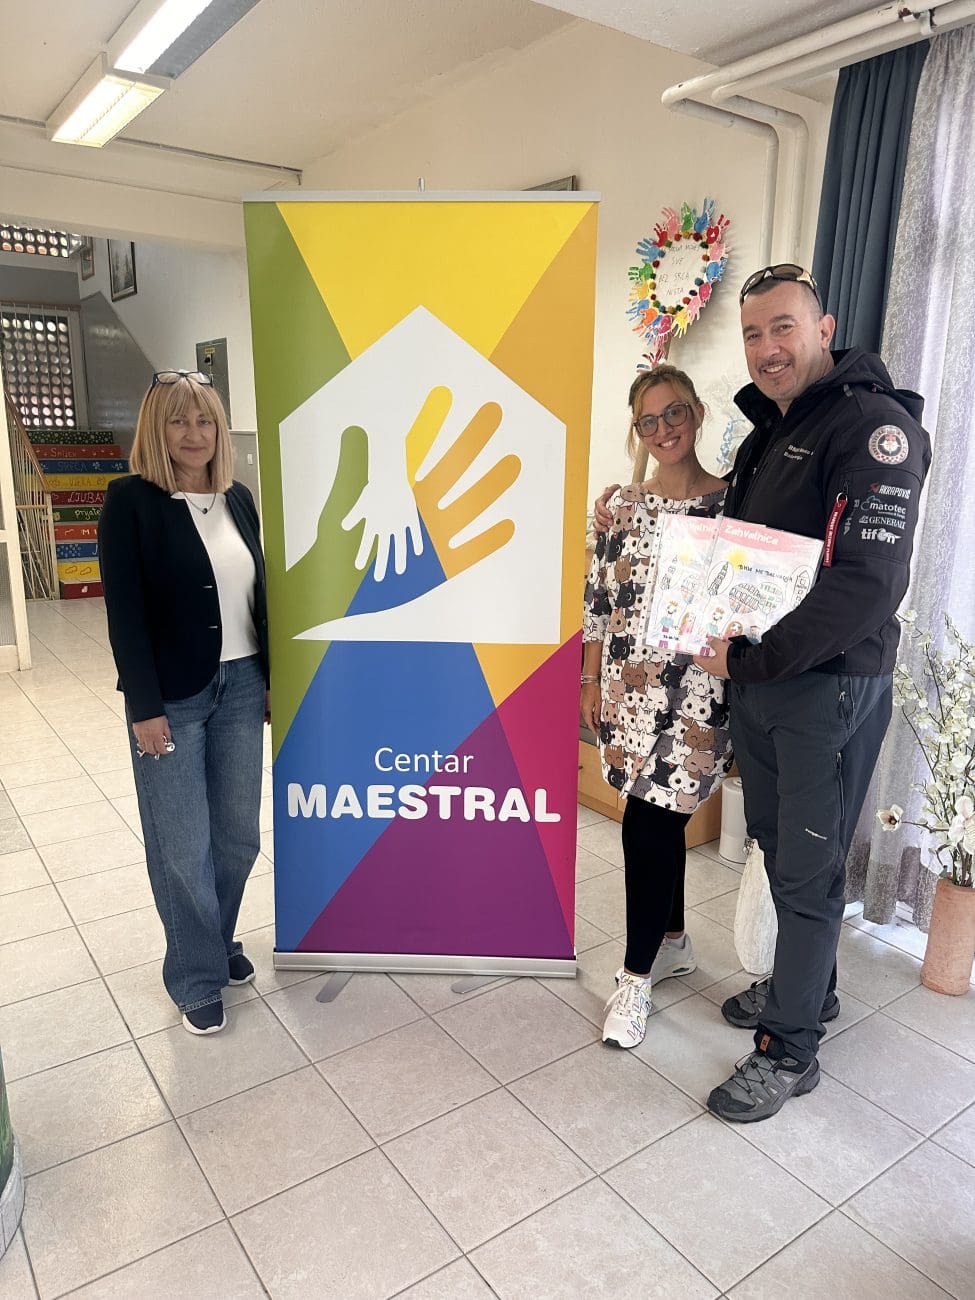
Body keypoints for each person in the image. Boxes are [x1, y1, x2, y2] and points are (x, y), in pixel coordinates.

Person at [596, 265, 930, 1120]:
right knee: (780, 852)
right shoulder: (768, 435)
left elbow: (867, 583)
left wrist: (753, 660)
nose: (766, 347)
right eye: (752, 333)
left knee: (809, 868)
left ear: (823, 330)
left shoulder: (872, 429)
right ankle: (804, 991)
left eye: (782, 327)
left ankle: (788, 1050)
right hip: (761, 684)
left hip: (823, 687)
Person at [99, 370, 270, 1036]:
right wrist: (143, 707)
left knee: (237, 836)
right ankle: (195, 976)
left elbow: (257, 597)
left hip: (242, 687)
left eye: (204, 420)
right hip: (172, 697)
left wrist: (270, 677)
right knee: (182, 845)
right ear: (156, 428)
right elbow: (126, 614)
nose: (193, 433)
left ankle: (216, 942)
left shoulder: (239, 499)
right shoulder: (131, 502)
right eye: (178, 420)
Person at [583, 364, 732, 1050]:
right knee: (656, 821)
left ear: (696, 412)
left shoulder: (734, 503)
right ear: (636, 430)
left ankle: (635, 977)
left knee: (647, 825)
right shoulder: (621, 507)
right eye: (649, 420)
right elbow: (598, 601)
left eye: (674, 412)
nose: (664, 428)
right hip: (626, 691)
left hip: (699, 695)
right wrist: (588, 680)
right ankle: (672, 941)